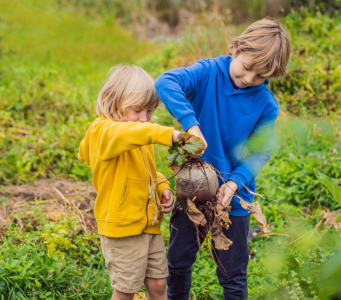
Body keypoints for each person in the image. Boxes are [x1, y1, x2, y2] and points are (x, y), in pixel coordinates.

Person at [154, 18, 291, 300]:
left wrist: (233, 184)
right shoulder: (208, 72)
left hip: (233, 200)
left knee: (234, 275)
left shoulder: (266, 105)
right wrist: (191, 125)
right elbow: (165, 81)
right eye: (247, 67)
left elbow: (260, 152)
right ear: (236, 48)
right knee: (178, 264)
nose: (250, 79)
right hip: (192, 188)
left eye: (261, 76)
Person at [78, 64, 181, 300]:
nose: (144, 120)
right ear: (114, 103)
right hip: (122, 228)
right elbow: (126, 135)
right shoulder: (101, 132)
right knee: (126, 290)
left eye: (149, 112)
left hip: (148, 224)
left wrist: (163, 187)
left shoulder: (138, 133)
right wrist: (168, 135)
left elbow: (149, 171)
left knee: (158, 284)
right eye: (138, 111)